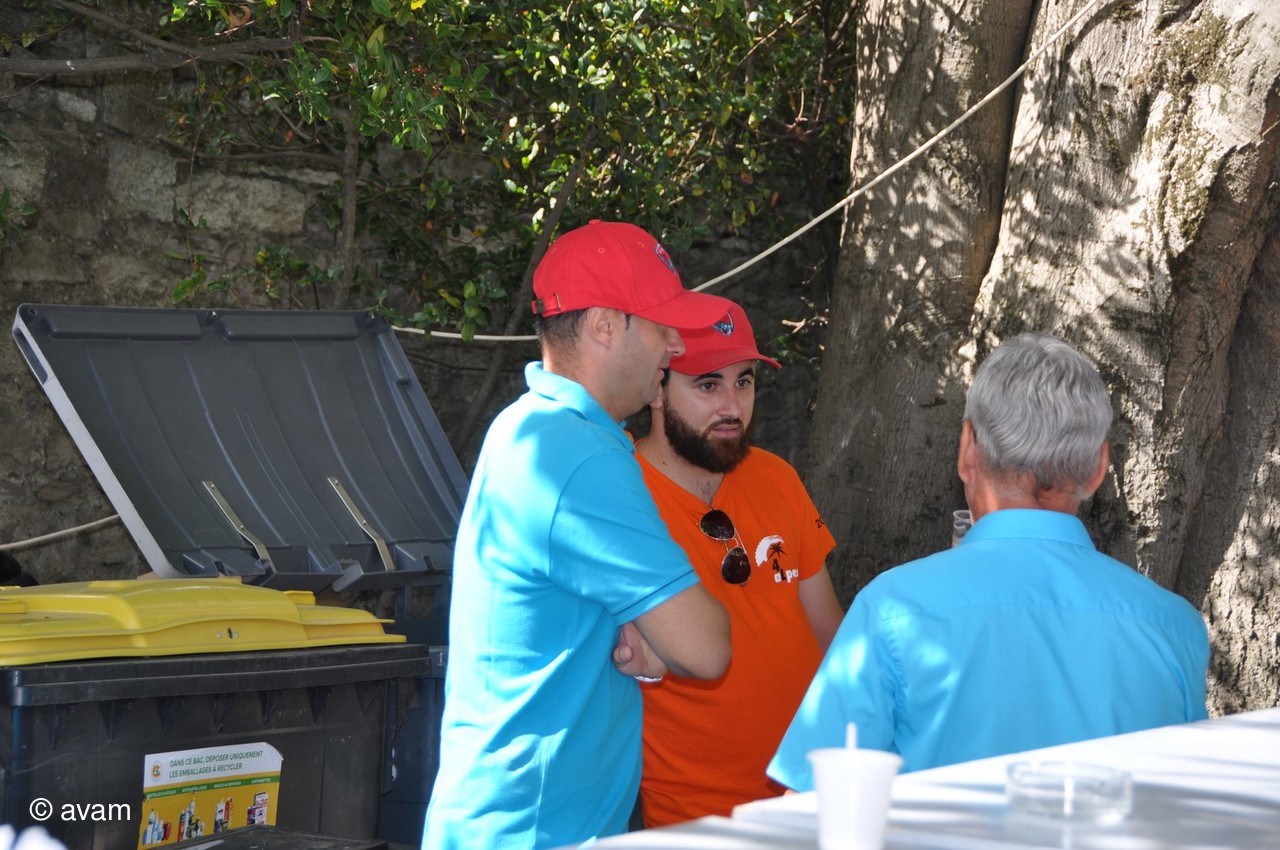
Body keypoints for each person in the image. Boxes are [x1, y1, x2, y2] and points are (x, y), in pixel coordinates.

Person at [768, 332, 1211, 790]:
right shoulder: (1176, 627)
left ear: (968, 450)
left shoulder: (892, 610)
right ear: (1099, 467)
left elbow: (815, 802)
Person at [423, 220, 734, 850]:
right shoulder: (581, 454)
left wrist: (644, 639)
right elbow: (706, 648)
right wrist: (658, 640)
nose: (677, 345)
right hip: (536, 833)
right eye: (662, 324)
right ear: (605, 326)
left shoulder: (526, 426)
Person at [633, 301, 845, 826]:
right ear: (656, 387)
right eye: (708, 385)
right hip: (694, 815)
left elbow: (830, 636)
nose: (733, 406)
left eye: (744, 382)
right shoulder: (621, 495)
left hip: (811, 795)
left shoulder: (777, 477)